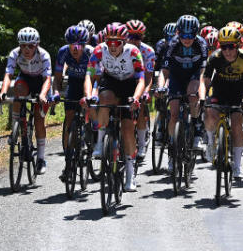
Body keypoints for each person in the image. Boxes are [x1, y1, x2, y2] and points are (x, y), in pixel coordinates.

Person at [85, 22, 145, 191]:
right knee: (103, 100)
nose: (112, 46)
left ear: (124, 42)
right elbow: (89, 76)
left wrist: (136, 98)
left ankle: (130, 173)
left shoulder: (133, 52)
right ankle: (100, 142)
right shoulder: (98, 50)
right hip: (110, 81)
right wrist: (89, 95)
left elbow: (141, 79)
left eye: (117, 42)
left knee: (127, 129)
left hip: (129, 85)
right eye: (109, 42)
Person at [200, 25, 243, 180]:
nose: (227, 51)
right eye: (224, 47)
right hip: (219, 90)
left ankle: (237, 166)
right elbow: (204, 81)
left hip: (238, 93)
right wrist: (203, 97)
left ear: (237, 45)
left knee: (237, 124)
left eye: (231, 46)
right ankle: (211, 143)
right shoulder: (215, 58)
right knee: (210, 113)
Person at [0, 27, 53, 175]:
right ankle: (16, 128)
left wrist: (43, 94)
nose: (26, 49)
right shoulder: (14, 54)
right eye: (23, 45)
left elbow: (47, 79)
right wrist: (3, 91)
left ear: (37, 44)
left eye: (30, 46)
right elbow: (8, 75)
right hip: (25, 79)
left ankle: (41, 158)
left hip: (41, 83)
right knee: (18, 90)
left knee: (38, 120)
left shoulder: (44, 55)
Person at [156, 14, 208, 166]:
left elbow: (203, 73)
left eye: (190, 35)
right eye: (183, 35)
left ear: (196, 33)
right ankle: (173, 150)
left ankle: (197, 131)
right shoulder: (173, 44)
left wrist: (201, 93)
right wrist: (160, 86)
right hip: (176, 77)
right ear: (178, 33)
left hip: (193, 75)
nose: (186, 38)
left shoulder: (201, 44)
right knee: (173, 114)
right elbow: (164, 71)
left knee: (193, 96)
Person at [53, 25, 93, 174]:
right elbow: (57, 79)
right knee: (69, 120)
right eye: (72, 45)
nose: (75, 48)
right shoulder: (63, 52)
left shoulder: (91, 53)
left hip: (90, 81)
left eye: (79, 45)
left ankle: (93, 131)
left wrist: (90, 96)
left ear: (84, 45)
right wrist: (56, 93)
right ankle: (68, 163)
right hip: (74, 82)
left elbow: (96, 78)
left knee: (90, 106)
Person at [125, 19, 155, 162]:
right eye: (131, 36)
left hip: (140, 82)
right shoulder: (121, 48)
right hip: (124, 80)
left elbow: (148, 77)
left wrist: (146, 92)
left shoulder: (148, 51)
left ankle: (142, 144)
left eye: (138, 37)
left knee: (141, 106)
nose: (134, 40)